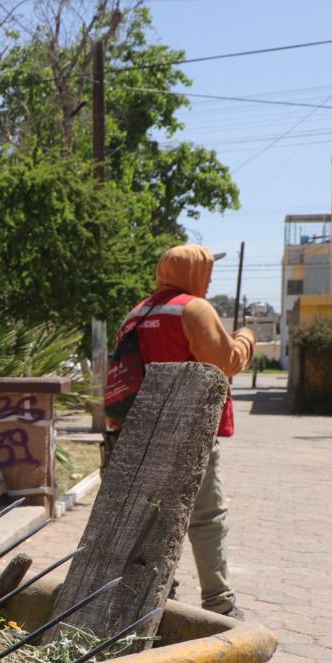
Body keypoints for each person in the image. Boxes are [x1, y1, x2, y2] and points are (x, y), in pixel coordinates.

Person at [110, 244, 256, 619]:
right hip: (188, 432)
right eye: (208, 271)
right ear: (196, 272)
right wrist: (246, 339)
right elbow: (226, 362)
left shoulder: (137, 314)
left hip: (139, 435)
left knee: (152, 518)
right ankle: (220, 603)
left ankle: (158, 594)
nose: (210, 279)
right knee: (207, 517)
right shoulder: (194, 309)